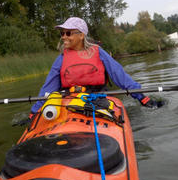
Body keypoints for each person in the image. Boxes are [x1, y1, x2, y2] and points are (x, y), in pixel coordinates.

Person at [29, 17, 163, 117]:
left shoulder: (98, 52)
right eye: (62, 33)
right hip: (69, 102)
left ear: (81, 35)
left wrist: (143, 99)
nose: (64, 37)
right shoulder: (62, 58)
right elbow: (48, 89)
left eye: (68, 33)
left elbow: (120, 77)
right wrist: (34, 113)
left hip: (97, 98)